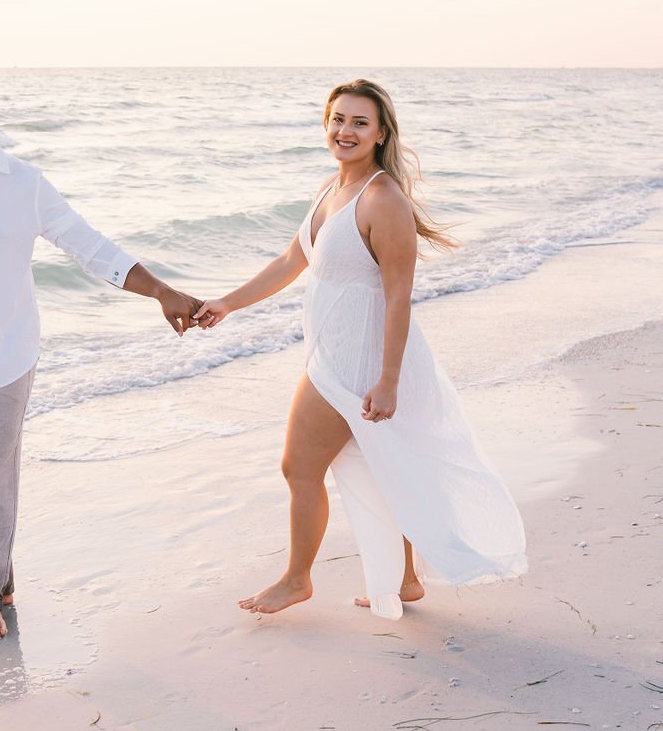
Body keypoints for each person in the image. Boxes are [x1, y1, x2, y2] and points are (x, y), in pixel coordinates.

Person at [0, 67, 201, 645]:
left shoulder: (25, 183)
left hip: (8, 355)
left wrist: (163, 292)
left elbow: (88, 246)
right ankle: (1, 578)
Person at [194, 78, 526, 621]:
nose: (344, 131)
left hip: (363, 361)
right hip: (333, 350)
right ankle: (407, 580)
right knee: (385, 468)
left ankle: (297, 579)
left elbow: (399, 298)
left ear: (380, 133)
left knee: (299, 468)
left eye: (359, 122)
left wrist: (389, 379)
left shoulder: (383, 200)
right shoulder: (331, 188)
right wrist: (227, 304)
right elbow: (289, 262)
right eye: (338, 119)